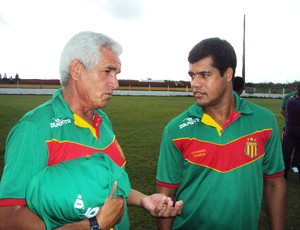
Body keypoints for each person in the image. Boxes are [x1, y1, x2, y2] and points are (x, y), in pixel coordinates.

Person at [0, 31, 183, 230]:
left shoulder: (102, 120)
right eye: (108, 71)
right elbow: (8, 218)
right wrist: (93, 226)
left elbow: (108, 183)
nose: (115, 83)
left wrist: (143, 200)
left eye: (116, 74)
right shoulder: (34, 128)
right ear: (77, 70)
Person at [156, 37, 286, 230]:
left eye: (204, 75)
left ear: (227, 74)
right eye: (192, 75)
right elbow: (165, 196)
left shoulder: (264, 121)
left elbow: (274, 184)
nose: (195, 84)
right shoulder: (176, 130)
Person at [282, 83, 300, 180]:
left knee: (286, 153)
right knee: (298, 154)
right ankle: (296, 169)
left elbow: (286, 112)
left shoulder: (290, 101)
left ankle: (284, 174)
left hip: (289, 131)